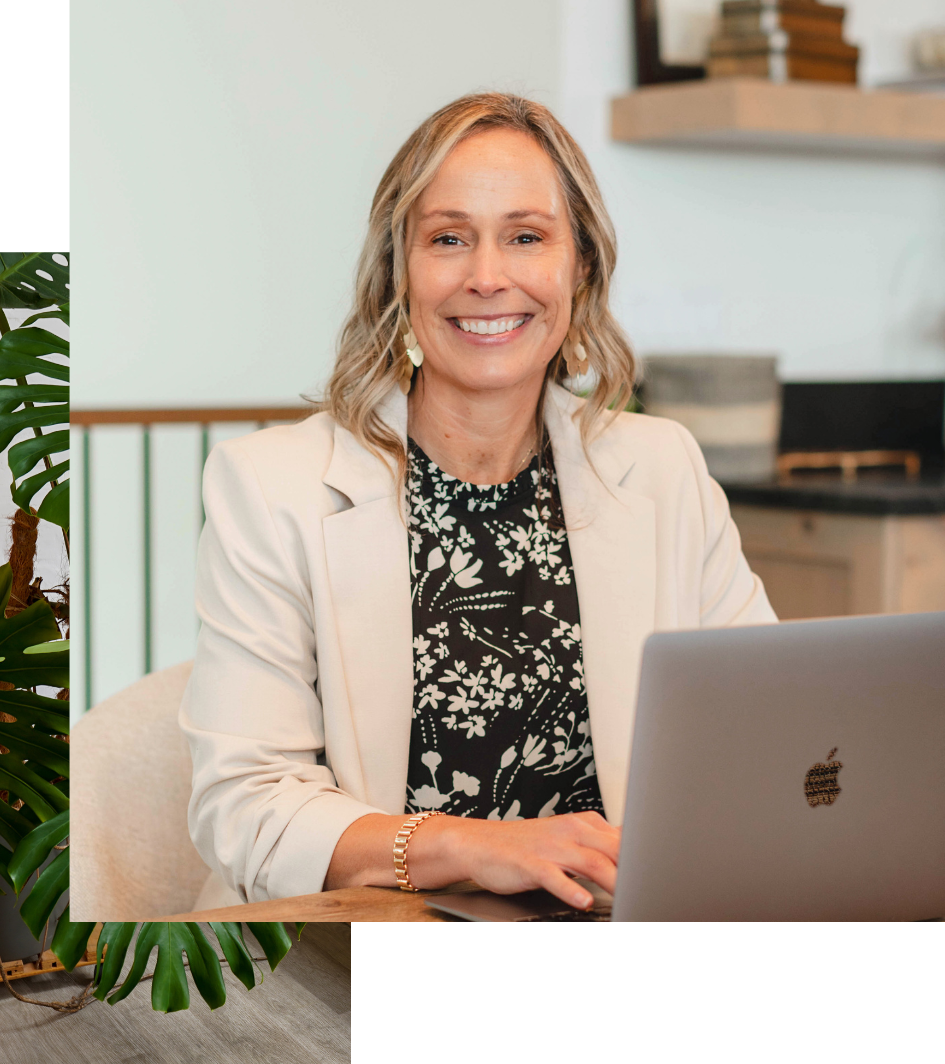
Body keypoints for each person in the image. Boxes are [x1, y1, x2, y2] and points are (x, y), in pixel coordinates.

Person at [180, 93, 776, 909]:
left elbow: (763, 735)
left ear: (582, 268)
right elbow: (244, 810)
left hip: (606, 946)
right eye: (448, 239)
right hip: (359, 956)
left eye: (527, 237)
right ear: (400, 273)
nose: (488, 277)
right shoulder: (271, 487)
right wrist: (477, 846)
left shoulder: (663, 467)